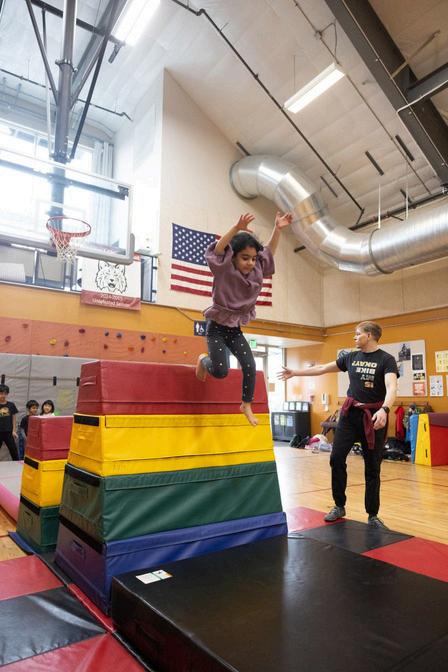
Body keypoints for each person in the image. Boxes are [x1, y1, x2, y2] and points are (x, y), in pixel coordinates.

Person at [278, 321, 398, 529]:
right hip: (349, 416)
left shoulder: (386, 360)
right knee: (336, 457)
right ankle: (339, 505)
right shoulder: (351, 357)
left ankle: (372, 515)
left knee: (372, 466)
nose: (354, 337)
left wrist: (384, 410)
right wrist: (295, 372)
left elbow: (391, 387)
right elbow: (322, 368)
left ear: (369, 335)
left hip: (373, 417)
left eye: (358, 334)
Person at [196, 211, 293, 426]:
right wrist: (236, 229)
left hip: (234, 329)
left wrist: (277, 229)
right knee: (221, 371)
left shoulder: (257, 270)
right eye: (245, 258)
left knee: (250, 365)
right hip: (216, 328)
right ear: (233, 257)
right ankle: (203, 360)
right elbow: (218, 249)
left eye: (253, 258)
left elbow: (269, 252)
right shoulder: (224, 268)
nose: (250, 263)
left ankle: (246, 404)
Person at [0, 384, 19, 461]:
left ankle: (17, 464)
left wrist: (14, 430)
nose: (3, 395)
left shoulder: (11, 405)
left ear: (7, 394)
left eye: (5, 393)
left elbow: (13, 418)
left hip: (8, 432)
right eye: (1, 393)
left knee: (14, 451)